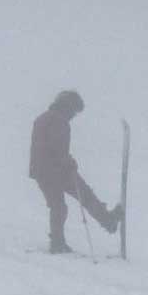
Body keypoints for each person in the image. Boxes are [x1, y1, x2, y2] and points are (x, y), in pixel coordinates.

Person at [30, 90, 122, 254]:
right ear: (67, 106)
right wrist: (68, 162)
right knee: (78, 198)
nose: (73, 115)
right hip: (54, 170)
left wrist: (65, 161)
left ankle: (59, 241)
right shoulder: (58, 121)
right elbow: (56, 147)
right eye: (74, 111)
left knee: (59, 205)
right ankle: (105, 221)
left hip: (44, 170)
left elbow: (48, 147)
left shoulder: (44, 118)